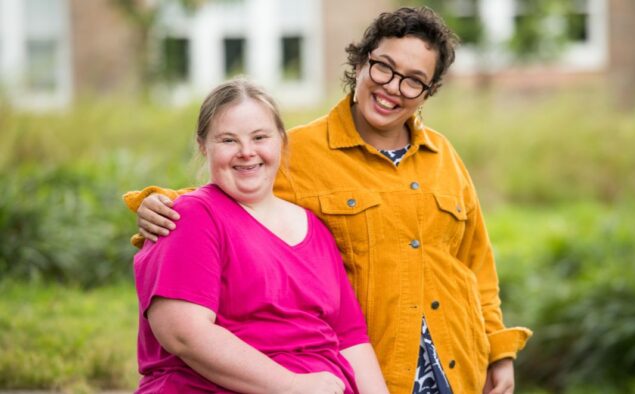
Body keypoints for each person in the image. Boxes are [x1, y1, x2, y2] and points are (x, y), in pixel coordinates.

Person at [126, 7, 532, 394]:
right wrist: (157, 201)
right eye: (384, 67)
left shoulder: (444, 156)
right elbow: (230, 188)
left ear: (427, 93)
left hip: (456, 361)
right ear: (360, 64)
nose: (392, 87)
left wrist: (498, 350)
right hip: (377, 367)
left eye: (412, 80)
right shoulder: (297, 150)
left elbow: (475, 263)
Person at [128, 77, 389, 393]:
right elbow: (182, 332)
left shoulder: (316, 228)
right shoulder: (191, 217)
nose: (246, 152)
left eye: (259, 137)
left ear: (281, 140)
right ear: (202, 146)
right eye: (228, 140)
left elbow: (350, 338)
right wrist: (291, 385)